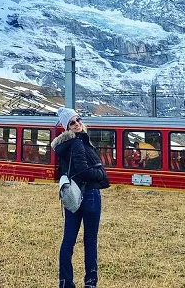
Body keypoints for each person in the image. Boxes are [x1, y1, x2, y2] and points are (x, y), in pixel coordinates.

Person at [52, 108, 110, 288]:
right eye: (72, 122)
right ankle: (90, 283)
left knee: (68, 240)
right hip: (90, 195)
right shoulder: (78, 143)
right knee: (90, 241)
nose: (77, 124)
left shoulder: (65, 146)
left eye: (78, 120)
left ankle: (65, 282)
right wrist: (101, 173)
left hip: (72, 197)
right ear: (66, 127)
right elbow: (84, 170)